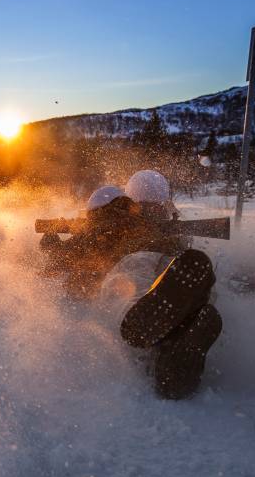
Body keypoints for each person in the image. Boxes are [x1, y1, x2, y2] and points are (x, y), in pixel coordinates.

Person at [41, 170, 222, 399]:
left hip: (136, 260)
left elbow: (65, 259)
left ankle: (145, 335)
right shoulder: (149, 219)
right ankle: (191, 320)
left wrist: (50, 244)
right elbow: (180, 242)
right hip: (170, 260)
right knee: (180, 290)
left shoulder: (98, 226)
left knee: (126, 291)